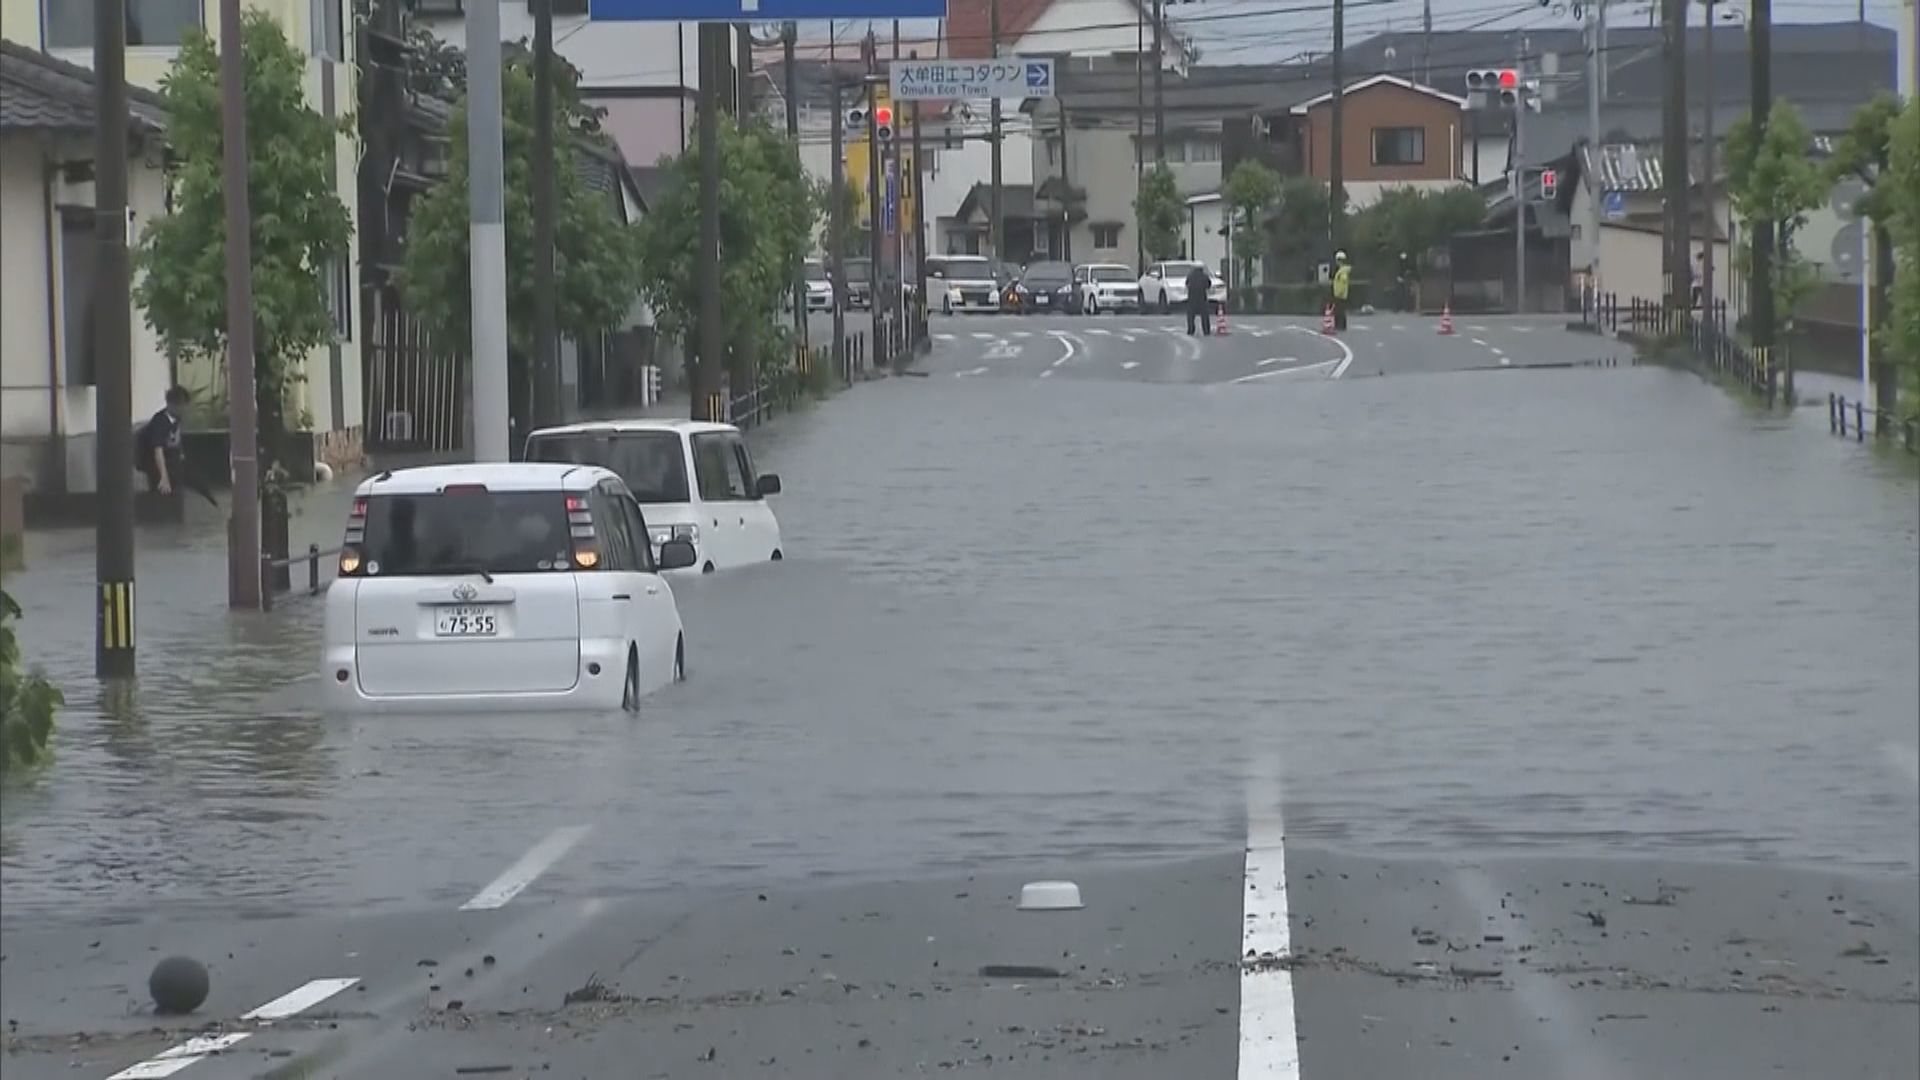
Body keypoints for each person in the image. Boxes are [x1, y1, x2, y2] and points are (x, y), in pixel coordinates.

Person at [135, 386, 215, 505]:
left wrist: (181, 456)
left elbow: (176, 439)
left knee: (194, 476)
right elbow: (158, 450)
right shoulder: (160, 421)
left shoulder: (176, 419)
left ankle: (212, 501)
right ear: (173, 405)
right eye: (182, 406)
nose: (185, 409)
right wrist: (164, 476)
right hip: (152, 459)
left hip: (170, 456)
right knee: (171, 481)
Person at [1184, 262, 1214, 336]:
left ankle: (1191, 330)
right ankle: (1206, 330)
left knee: (1191, 315)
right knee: (1204, 315)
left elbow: (1187, 284)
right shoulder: (1204, 276)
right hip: (1202, 297)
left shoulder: (1190, 276)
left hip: (1192, 298)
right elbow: (1208, 285)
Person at [1331, 250, 1352, 332]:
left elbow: (1343, 281)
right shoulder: (1342, 270)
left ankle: (1340, 326)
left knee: (1339, 311)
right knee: (1339, 310)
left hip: (1340, 295)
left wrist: (1340, 292)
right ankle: (1340, 326)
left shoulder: (1342, 271)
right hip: (1340, 294)